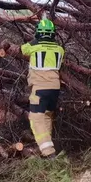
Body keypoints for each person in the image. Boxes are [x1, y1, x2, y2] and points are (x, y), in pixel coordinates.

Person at [20, 18, 64, 158]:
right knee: (47, 116)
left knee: (36, 117)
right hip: (54, 89)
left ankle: (49, 152)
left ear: (38, 33)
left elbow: (23, 49)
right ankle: (47, 147)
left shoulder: (34, 46)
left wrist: (35, 41)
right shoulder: (59, 49)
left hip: (40, 88)